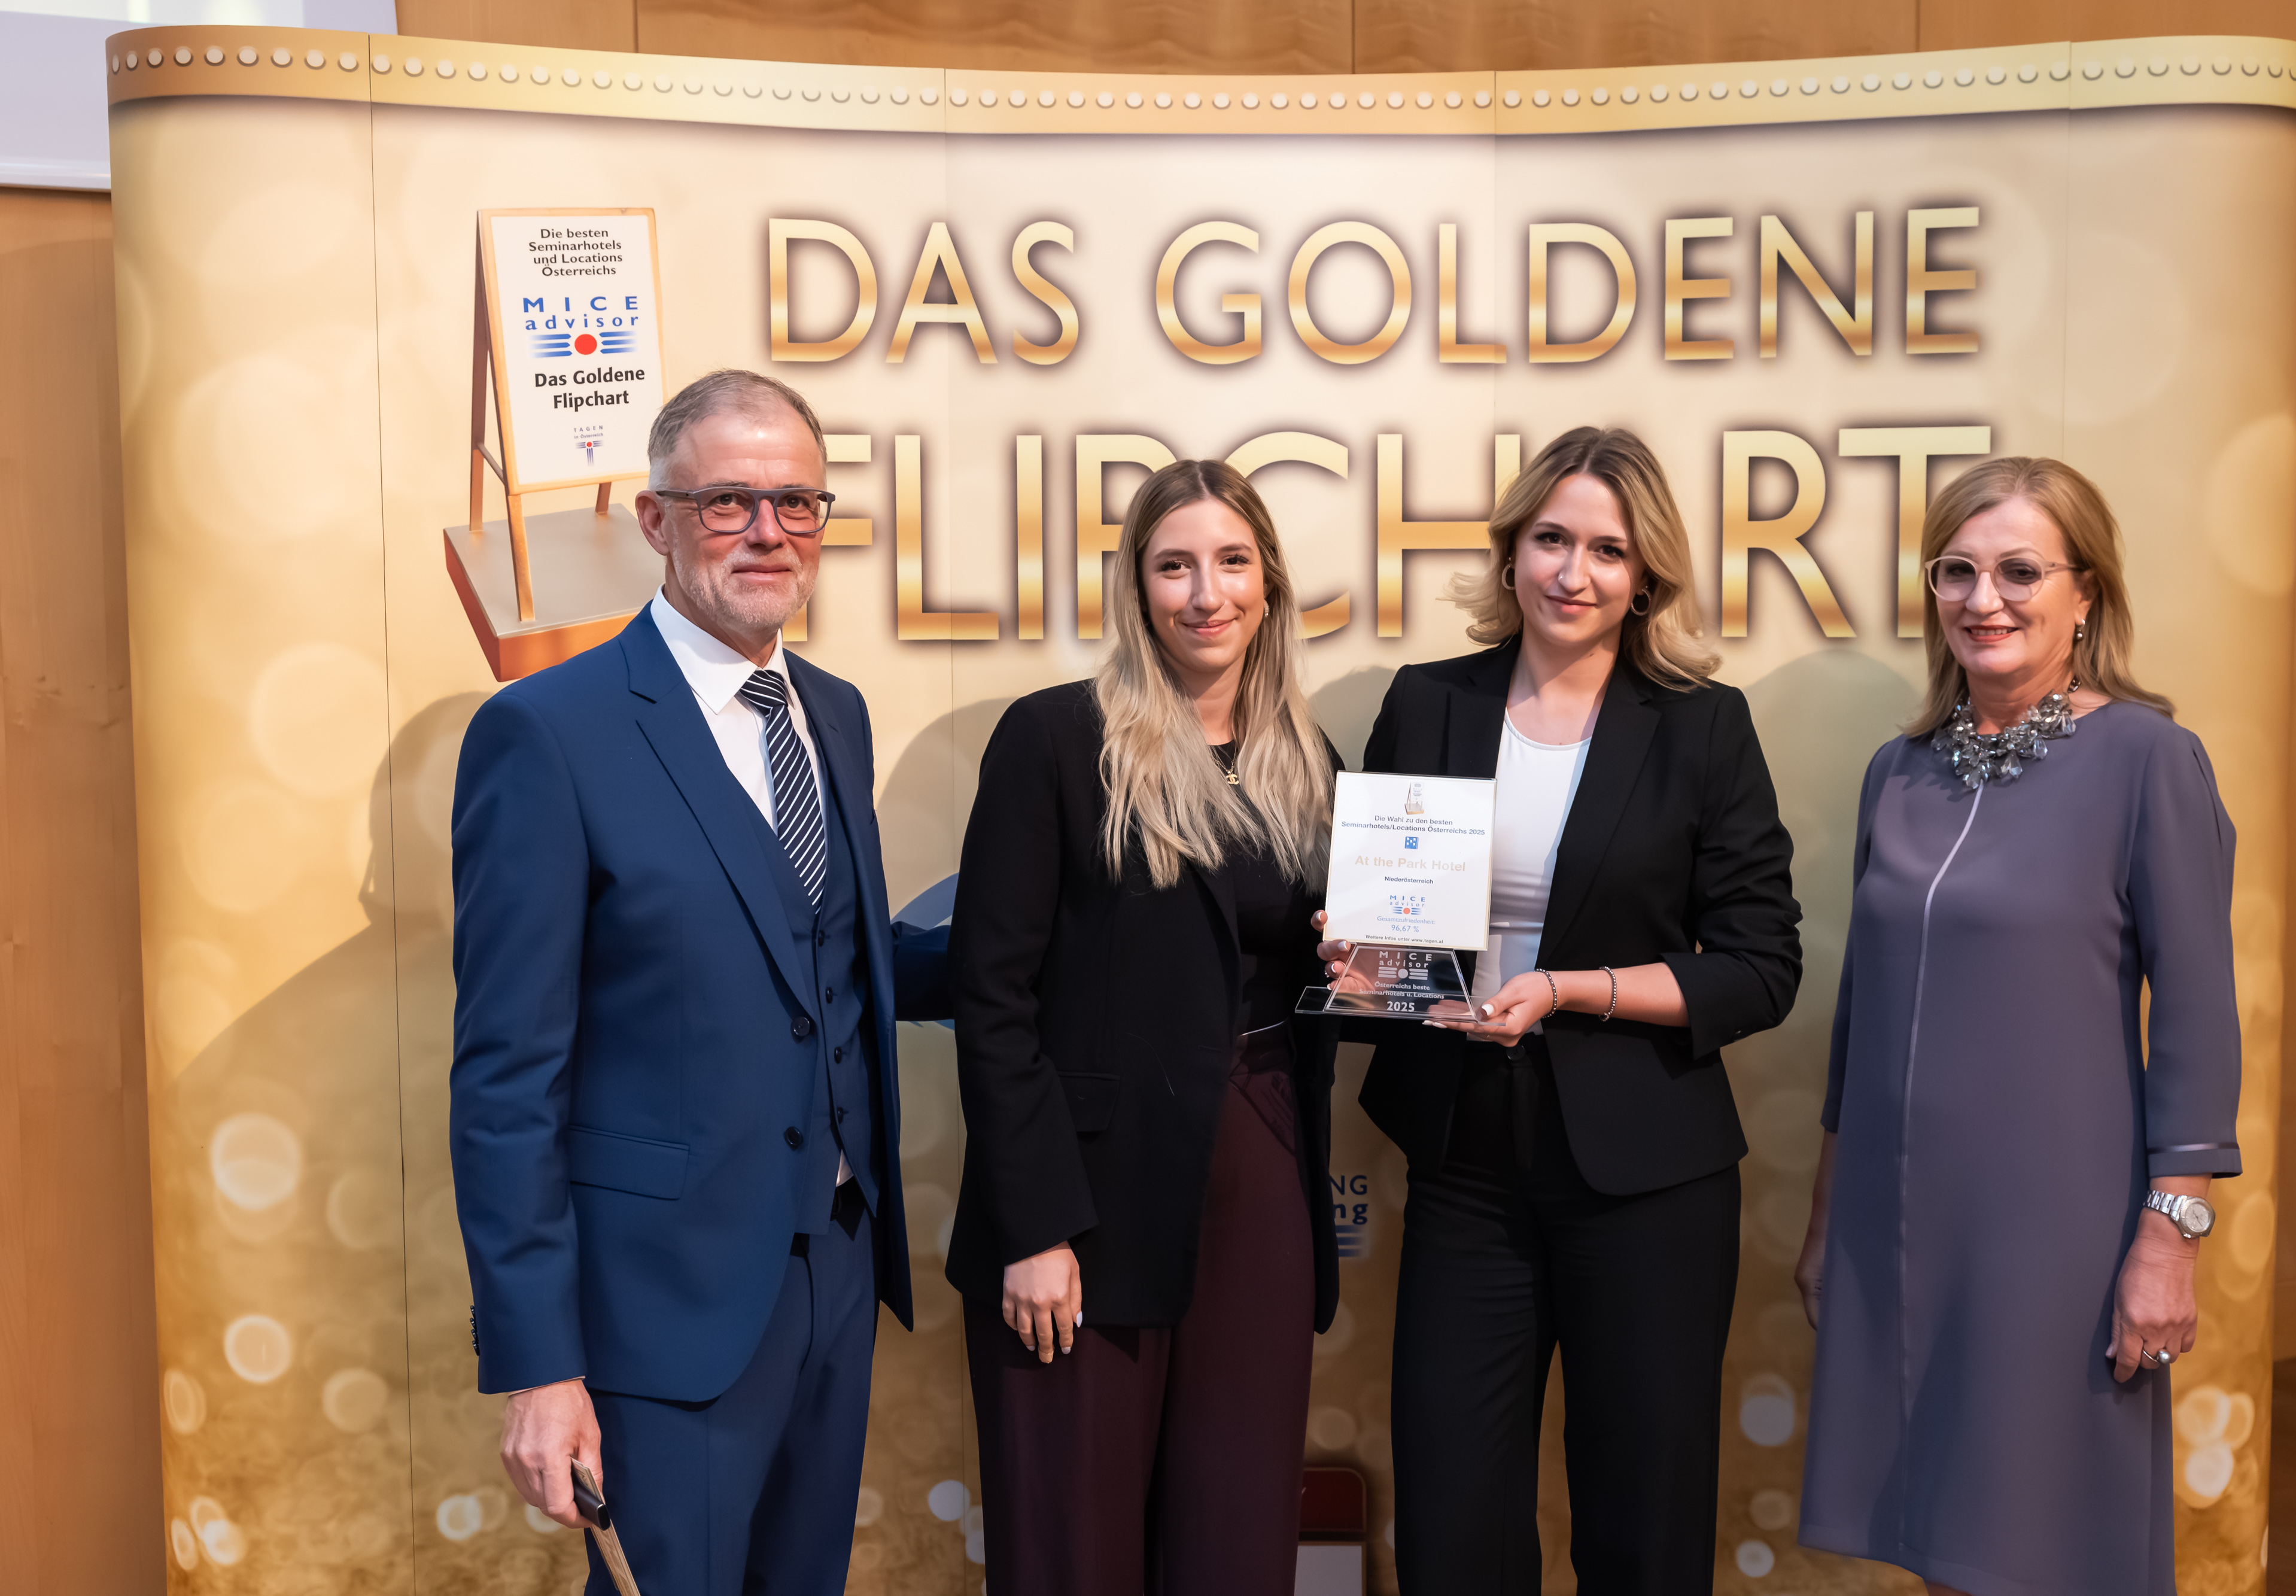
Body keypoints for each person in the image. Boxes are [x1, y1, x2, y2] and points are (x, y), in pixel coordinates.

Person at [449, 369, 948, 1596]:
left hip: (833, 1275)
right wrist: (540, 1364)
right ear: (655, 521)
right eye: (728, 501)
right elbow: (507, 1078)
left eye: (796, 502)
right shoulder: (547, 731)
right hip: (659, 1309)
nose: (768, 531)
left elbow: (822, 960)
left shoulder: (833, 713)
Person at [1318, 426, 1802, 1593]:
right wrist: (1359, 961)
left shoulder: (1701, 724)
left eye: (1607, 550)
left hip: (1648, 1178)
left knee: (1642, 1526)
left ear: (1645, 577)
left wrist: (1570, 989)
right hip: (1464, 1165)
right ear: (1510, 551)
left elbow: (1760, 965)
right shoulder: (1427, 702)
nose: (1572, 572)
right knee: (1453, 1525)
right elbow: (1386, 934)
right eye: (1550, 539)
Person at [1793, 457, 2240, 1596]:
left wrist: (2170, 1241)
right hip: (1897, 1221)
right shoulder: (1899, 772)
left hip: (2054, 1236)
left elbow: (2197, 1021)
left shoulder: (2149, 760)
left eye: (2020, 572)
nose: (1983, 598)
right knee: (1938, 1538)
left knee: (2037, 1542)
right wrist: (1829, 1218)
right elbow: (1862, 1016)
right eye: (1957, 571)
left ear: (2086, 593)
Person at [948, 459, 1342, 1596]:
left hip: (1260, 1172)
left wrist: (1354, 973)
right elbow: (991, 993)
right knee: (1071, 1549)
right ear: (1136, 587)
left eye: (1231, 562)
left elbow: (1306, 983)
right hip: (1084, 1198)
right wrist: (1034, 1227)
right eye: (1175, 567)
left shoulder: (1309, 764)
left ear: (1268, 583)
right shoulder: (1055, 741)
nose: (1206, 594)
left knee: (1236, 1541)